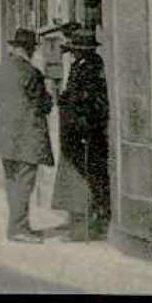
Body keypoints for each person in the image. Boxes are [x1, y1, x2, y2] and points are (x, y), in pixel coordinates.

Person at [0, 28, 55, 243]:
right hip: (27, 136)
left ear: (13, 47)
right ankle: (18, 229)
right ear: (31, 49)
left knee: (12, 181)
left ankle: (18, 225)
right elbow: (44, 105)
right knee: (25, 183)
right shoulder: (31, 73)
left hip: (4, 135)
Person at [52, 25, 110, 241]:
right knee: (77, 174)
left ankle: (85, 226)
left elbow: (89, 100)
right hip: (75, 130)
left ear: (82, 49)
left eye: (74, 47)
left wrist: (68, 102)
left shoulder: (91, 67)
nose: (72, 51)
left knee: (84, 177)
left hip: (85, 130)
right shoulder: (81, 64)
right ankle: (77, 220)